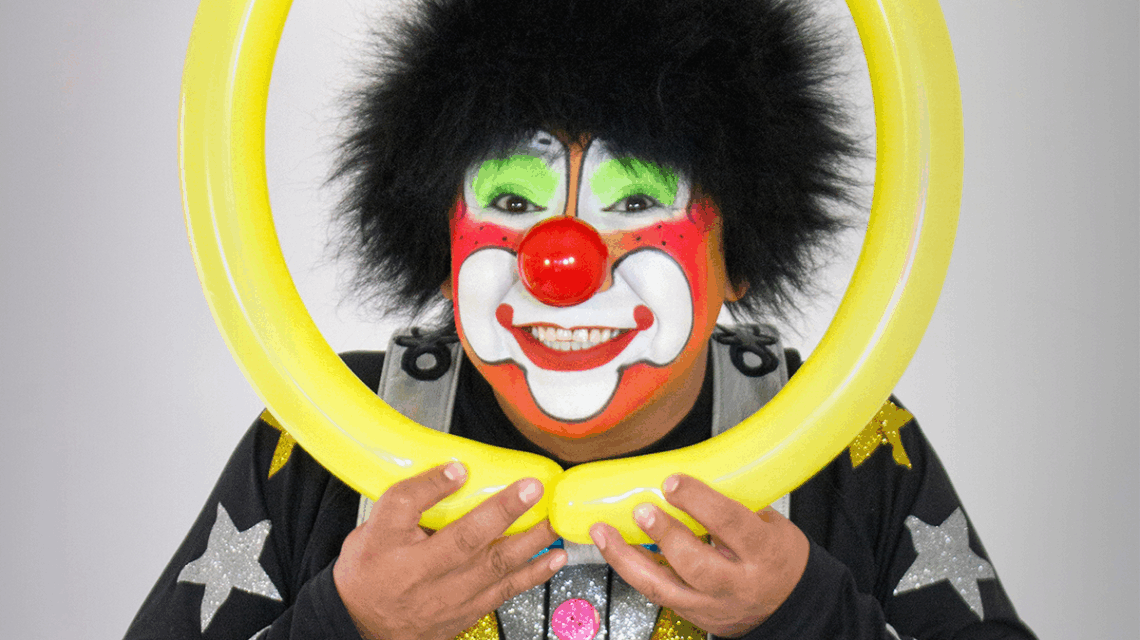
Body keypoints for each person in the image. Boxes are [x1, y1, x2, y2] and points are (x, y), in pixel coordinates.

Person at [126, 0, 1037, 638]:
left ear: (743, 257)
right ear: (441, 242)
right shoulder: (323, 437)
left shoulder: (851, 448)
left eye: (635, 202)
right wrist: (346, 624)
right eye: (512, 203)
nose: (560, 262)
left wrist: (808, 616)